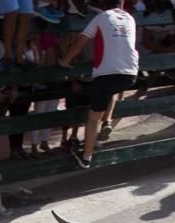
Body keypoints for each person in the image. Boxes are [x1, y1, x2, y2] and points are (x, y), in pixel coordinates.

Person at [59, 0, 138, 169]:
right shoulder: (130, 19)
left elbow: (80, 43)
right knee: (112, 92)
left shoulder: (101, 17)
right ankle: (107, 121)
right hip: (130, 73)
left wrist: (65, 60)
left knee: (93, 117)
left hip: (106, 74)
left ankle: (86, 157)